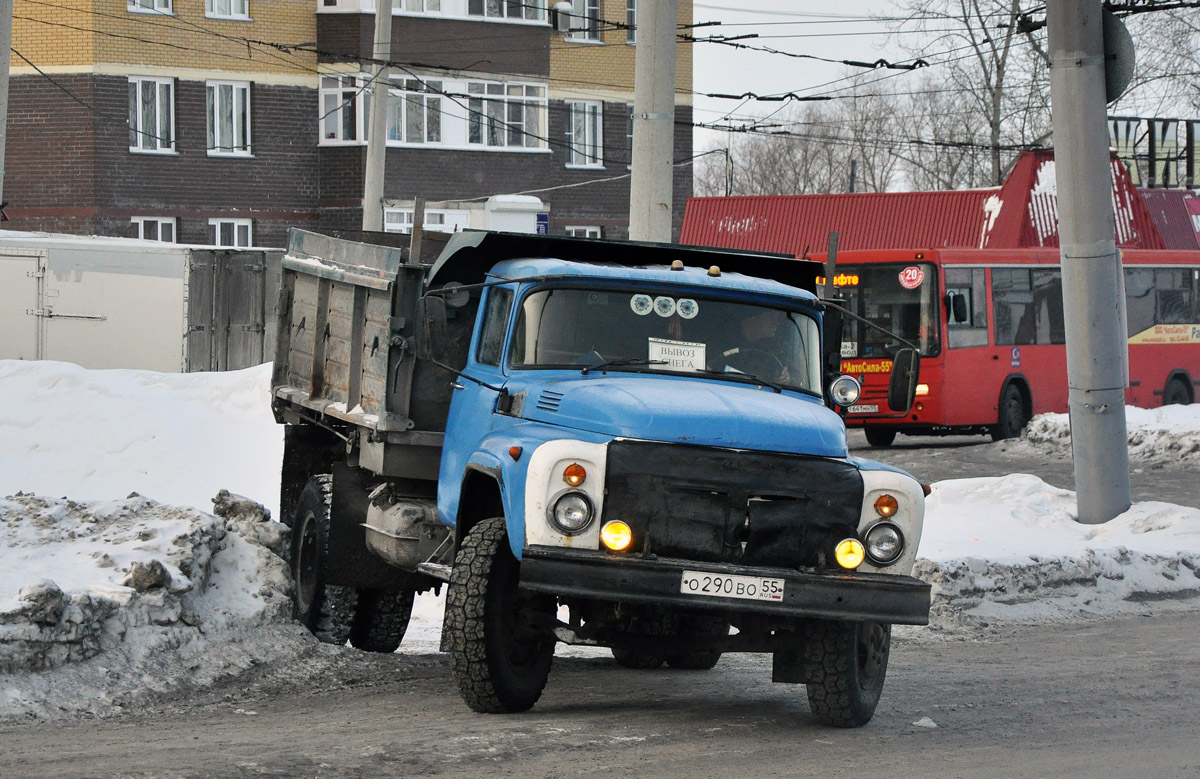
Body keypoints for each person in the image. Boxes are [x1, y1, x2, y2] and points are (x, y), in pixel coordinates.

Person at [718, 309, 791, 382]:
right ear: (751, 318)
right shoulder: (722, 341)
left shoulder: (777, 347)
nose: (777, 323)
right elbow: (710, 367)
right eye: (771, 317)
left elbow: (797, 376)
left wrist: (786, 378)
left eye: (777, 318)